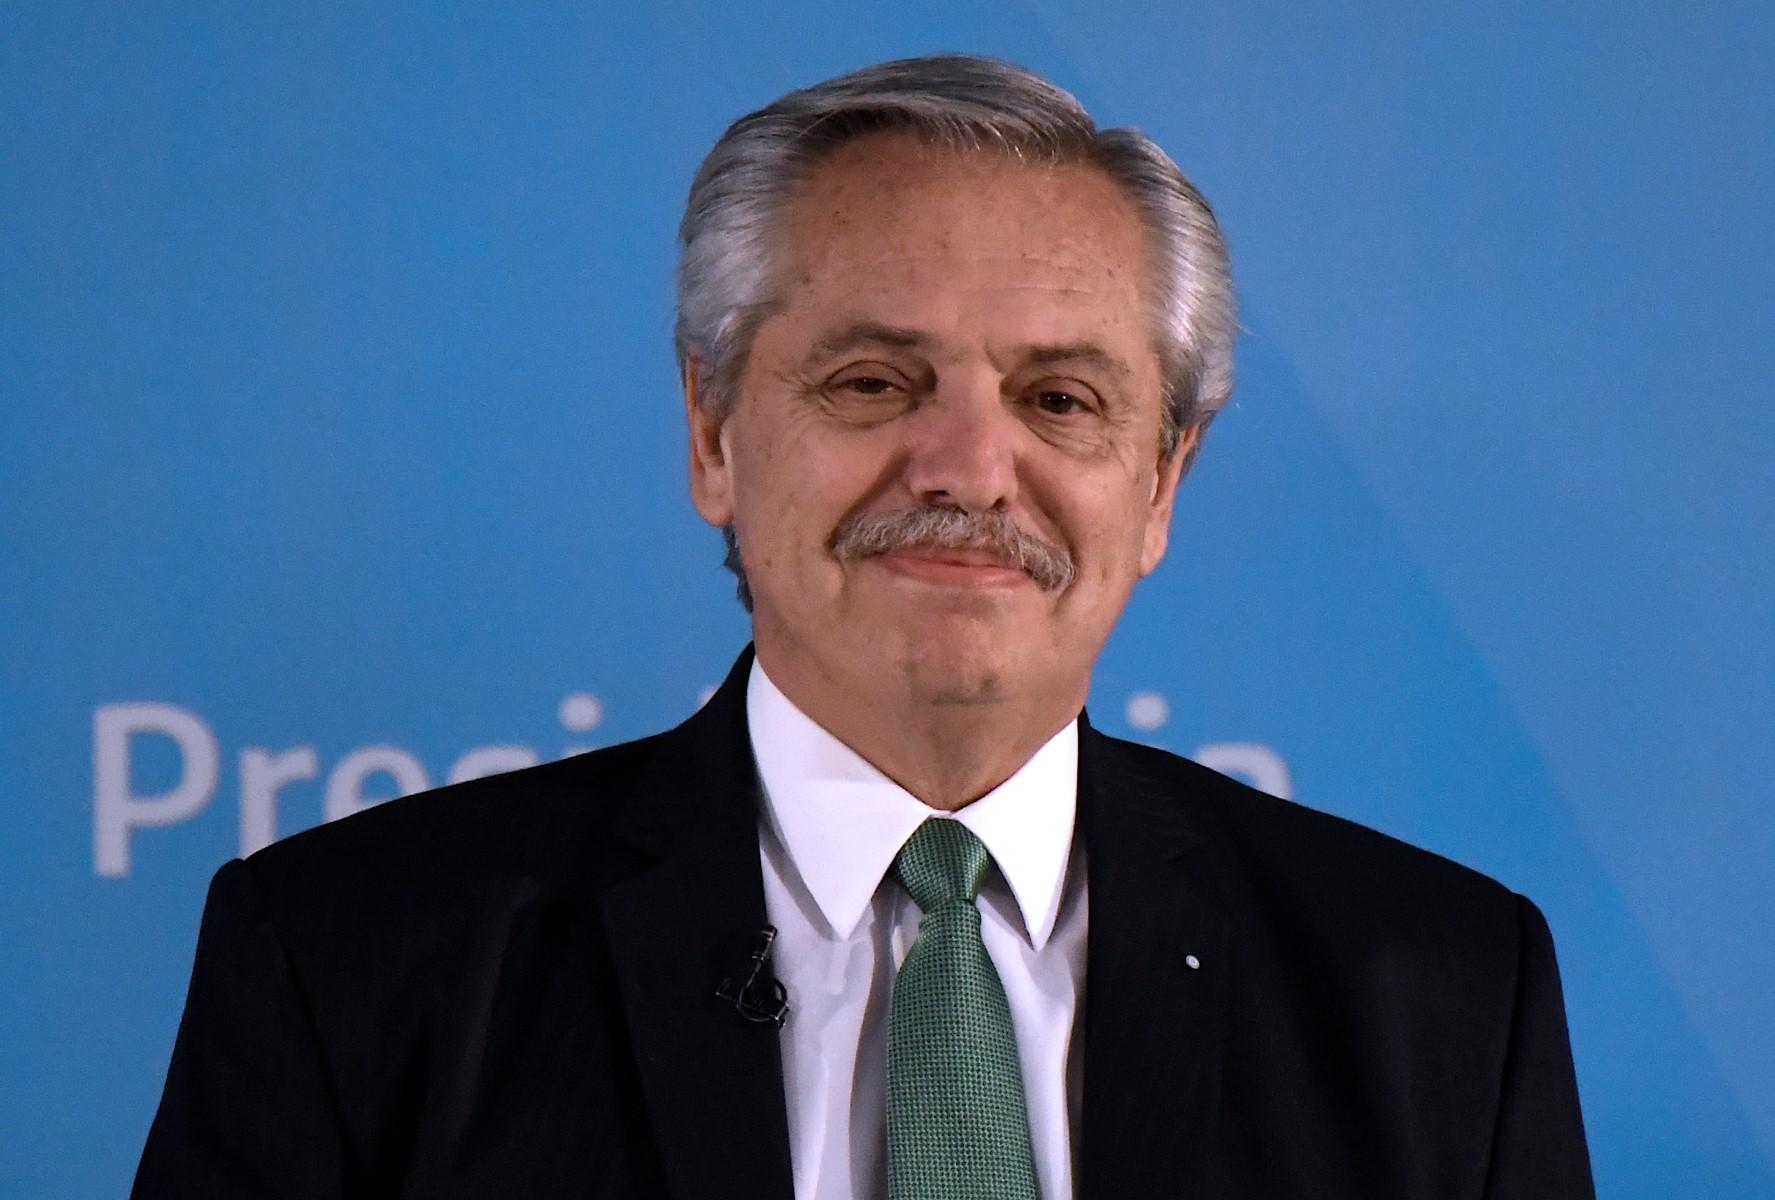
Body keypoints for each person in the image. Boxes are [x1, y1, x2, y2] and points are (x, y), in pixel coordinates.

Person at [132, 54, 1594, 1199]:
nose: (967, 469)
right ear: (712, 431)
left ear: (1161, 484)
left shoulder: (1439, 994)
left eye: (1060, 399)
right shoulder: (347, 964)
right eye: (874, 384)